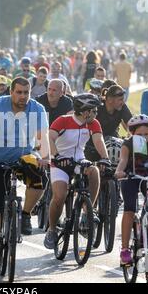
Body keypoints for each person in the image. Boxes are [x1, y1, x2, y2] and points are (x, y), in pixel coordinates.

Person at [0, 77, 50, 267]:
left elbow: (42, 135)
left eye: (26, 92)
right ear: (11, 92)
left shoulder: (37, 108)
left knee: (39, 178)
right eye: (19, 92)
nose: (23, 96)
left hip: (22, 157)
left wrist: (45, 157)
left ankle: (26, 214)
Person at [43, 93, 111, 249]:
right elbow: (50, 138)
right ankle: (52, 229)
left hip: (79, 159)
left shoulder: (93, 123)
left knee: (94, 171)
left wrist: (105, 158)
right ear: (84, 111)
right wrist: (57, 156)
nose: (96, 113)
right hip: (60, 161)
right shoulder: (63, 120)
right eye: (93, 110)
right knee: (59, 196)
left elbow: (98, 140)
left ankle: (88, 212)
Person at [114, 115, 148, 265]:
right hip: (130, 177)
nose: (144, 137)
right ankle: (124, 250)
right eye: (140, 134)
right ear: (132, 133)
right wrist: (119, 171)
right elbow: (123, 160)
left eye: (147, 134)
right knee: (129, 209)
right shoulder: (128, 144)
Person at [85, 85, 132, 162]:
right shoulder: (97, 107)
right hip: (93, 144)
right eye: (120, 100)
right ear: (109, 99)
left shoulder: (122, 107)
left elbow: (132, 125)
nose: (123, 102)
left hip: (112, 142)